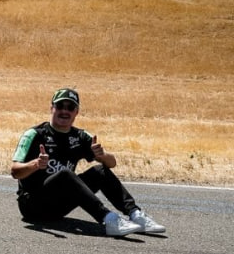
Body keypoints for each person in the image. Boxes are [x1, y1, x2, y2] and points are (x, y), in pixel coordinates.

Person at [11, 88, 165, 237]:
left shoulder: (80, 136)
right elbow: (15, 171)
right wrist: (36, 164)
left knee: (100, 171)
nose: (65, 111)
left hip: (59, 207)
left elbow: (111, 164)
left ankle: (135, 214)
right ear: (52, 108)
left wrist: (103, 155)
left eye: (70, 107)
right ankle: (109, 219)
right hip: (33, 206)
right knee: (65, 174)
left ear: (76, 112)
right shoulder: (34, 134)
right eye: (60, 106)